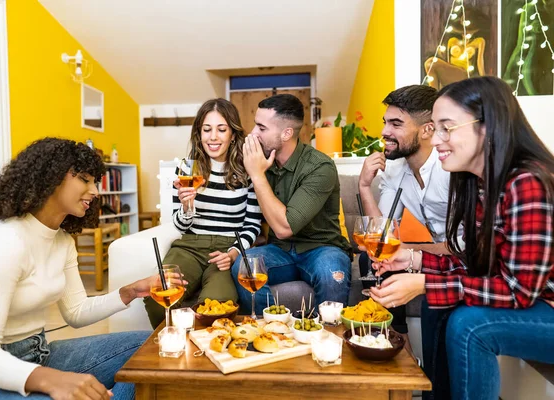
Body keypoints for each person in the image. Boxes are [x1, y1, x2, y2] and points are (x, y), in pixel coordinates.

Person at [0, 138, 183, 399]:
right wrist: (52, 380)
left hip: (38, 354)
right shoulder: (3, 243)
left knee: (148, 346)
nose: (95, 191)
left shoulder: (61, 240)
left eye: (95, 181)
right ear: (50, 178)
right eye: (85, 179)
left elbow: (76, 312)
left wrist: (130, 291)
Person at [370, 76, 554, 400]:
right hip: (536, 301)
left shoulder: (528, 182)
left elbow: (518, 291)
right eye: (434, 127)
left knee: (469, 324)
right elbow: (477, 262)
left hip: (543, 304)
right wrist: (413, 260)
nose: (436, 138)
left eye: (446, 127)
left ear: (486, 127)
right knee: (453, 309)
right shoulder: (480, 183)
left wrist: (425, 282)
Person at [357, 85, 461, 349]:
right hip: (440, 252)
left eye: (396, 124)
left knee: (395, 256)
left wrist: (408, 250)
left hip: (463, 255)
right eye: (385, 122)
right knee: (371, 256)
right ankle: (392, 337)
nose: (384, 132)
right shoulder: (396, 170)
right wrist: (364, 187)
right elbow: (382, 236)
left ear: (427, 129)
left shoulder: (451, 169)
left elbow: (463, 247)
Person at [144, 98, 262, 328]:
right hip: (189, 247)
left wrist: (233, 253)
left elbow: (252, 225)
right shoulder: (187, 168)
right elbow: (179, 225)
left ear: (233, 133)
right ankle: (173, 345)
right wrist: (187, 208)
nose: (213, 137)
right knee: (159, 296)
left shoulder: (248, 170)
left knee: (219, 306)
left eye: (221, 129)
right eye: (207, 129)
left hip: (224, 251)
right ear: (199, 133)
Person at [230, 94, 352, 315]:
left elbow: (284, 228)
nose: (253, 134)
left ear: (286, 133)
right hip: (280, 251)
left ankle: (329, 342)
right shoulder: (261, 160)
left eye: (261, 128)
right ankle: (274, 331)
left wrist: (257, 175)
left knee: (330, 272)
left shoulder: (320, 167)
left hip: (321, 248)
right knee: (244, 265)